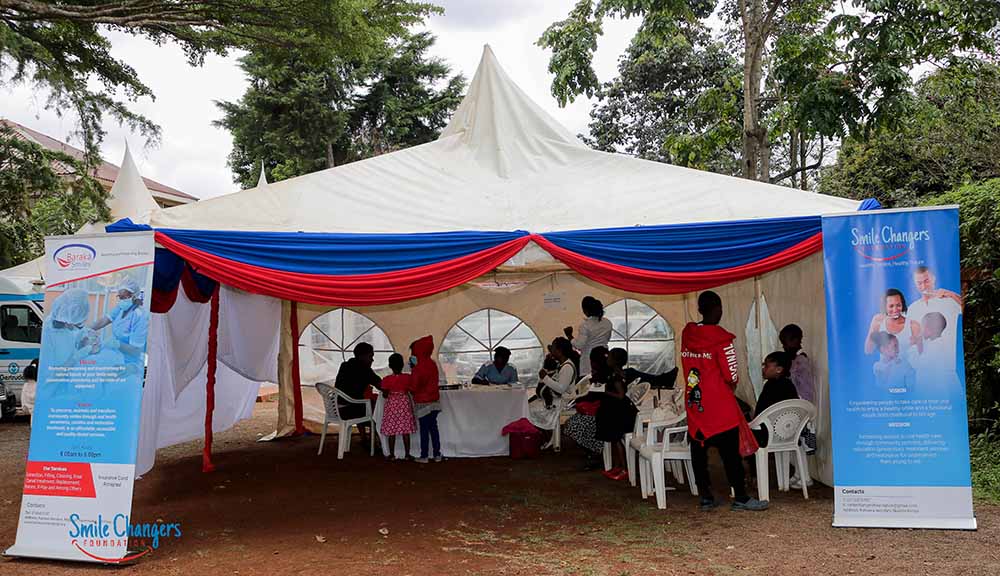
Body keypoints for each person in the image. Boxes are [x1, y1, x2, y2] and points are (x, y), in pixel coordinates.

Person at [682, 290, 768, 511]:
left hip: (695, 403)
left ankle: (706, 497)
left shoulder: (688, 334)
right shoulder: (723, 340)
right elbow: (732, 375)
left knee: (698, 451)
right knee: (730, 453)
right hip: (720, 405)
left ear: (699, 310)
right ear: (719, 309)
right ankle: (740, 496)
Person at [596, 349, 641, 481]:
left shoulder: (616, 376)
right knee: (614, 440)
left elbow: (620, 395)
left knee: (617, 440)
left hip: (617, 412)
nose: (607, 359)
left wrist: (604, 391)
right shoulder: (619, 373)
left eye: (609, 357)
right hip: (616, 410)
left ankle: (624, 468)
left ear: (614, 361)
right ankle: (618, 466)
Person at [564, 346, 610, 470]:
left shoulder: (602, 375)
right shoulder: (603, 372)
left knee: (573, 425)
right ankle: (594, 452)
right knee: (573, 423)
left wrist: (578, 400)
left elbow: (594, 395)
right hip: (600, 410)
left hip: (603, 414)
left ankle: (596, 453)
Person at [89, 277, 149, 370]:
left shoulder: (140, 316)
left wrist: (117, 344)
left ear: (133, 296)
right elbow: (104, 320)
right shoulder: (121, 308)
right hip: (115, 355)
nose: (121, 300)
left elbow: (136, 350)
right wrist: (87, 329)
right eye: (119, 297)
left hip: (129, 363)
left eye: (123, 297)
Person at [334, 342, 382, 446]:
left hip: (337, 409)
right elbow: (380, 385)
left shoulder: (344, 365)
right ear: (363, 356)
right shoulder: (365, 369)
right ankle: (377, 442)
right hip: (351, 411)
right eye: (371, 356)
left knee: (362, 402)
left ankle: (364, 438)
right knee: (377, 408)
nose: (372, 360)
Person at [907, 265, 963, 356]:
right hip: (924, 362)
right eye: (919, 283)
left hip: (949, 360)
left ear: (933, 279)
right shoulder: (912, 309)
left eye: (926, 281)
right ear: (915, 284)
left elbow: (967, 307)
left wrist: (950, 294)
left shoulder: (948, 300)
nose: (923, 286)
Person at [528, 337, 578, 433]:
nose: (551, 351)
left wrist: (545, 378)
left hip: (563, 401)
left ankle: (546, 435)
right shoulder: (562, 364)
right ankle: (546, 435)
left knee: (531, 409)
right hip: (557, 398)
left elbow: (561, 389)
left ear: (559, 351)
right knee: (530, 406)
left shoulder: (567, 367)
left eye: (553, 349)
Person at [750, 352, 799, 447]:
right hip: (789, 434)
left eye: (766, 366)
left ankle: (752, 461)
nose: (763, 369)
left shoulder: (769, 386)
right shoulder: (789, 385)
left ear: (779, 369)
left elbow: (760, 414)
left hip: (768, 435)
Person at [864, 288, 922, 362]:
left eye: (898, 305)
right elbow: (868, 350)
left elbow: (922, 356)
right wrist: (873, 327)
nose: (895, 310)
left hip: (908, 371)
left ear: (903, 304)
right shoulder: (878, 322)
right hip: (885, 371)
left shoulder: (913, 326)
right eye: (891, 306)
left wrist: (918, 343)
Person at [410, 335, 443, 463]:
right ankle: (437, 454)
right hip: (434, 401)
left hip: (423, 402)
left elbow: (414, 386)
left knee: (424, 430)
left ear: (418, 351)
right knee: (434, 428)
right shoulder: (432, 364)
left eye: (413, 352)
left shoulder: (418, 367)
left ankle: (424, 456)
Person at [41, 288, 92, 369]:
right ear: (66, 320)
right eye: (77, 323)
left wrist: (80, 346)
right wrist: (76, 357)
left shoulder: (66, 327)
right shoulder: (48, 334)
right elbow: (52, 372)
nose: (77, 328)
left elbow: (69, 348)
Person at [379, 353, 416, 460]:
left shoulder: (386, 379)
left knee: (391, 430)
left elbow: (385, 395)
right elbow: (412, 390)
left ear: (390, 366)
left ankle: (391, 454)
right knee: (405, 430)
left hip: (391, 405)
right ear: (402, 365)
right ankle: (407, 454)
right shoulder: (407, 378)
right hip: (404, 404)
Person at [564, 296, 612, 376]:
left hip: (589, 361)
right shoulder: (607, 322)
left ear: (585, 310)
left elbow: (579, 345)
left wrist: (569, 336)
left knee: (589, 385)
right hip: (604, 358)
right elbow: (607, 338)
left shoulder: (585, 325)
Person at [779, 324, 814, 404]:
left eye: (785, 343)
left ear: (796, 340)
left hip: (800, 402)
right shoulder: (793, 359)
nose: (783, 347)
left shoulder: (801, 361)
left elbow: (804, 389)